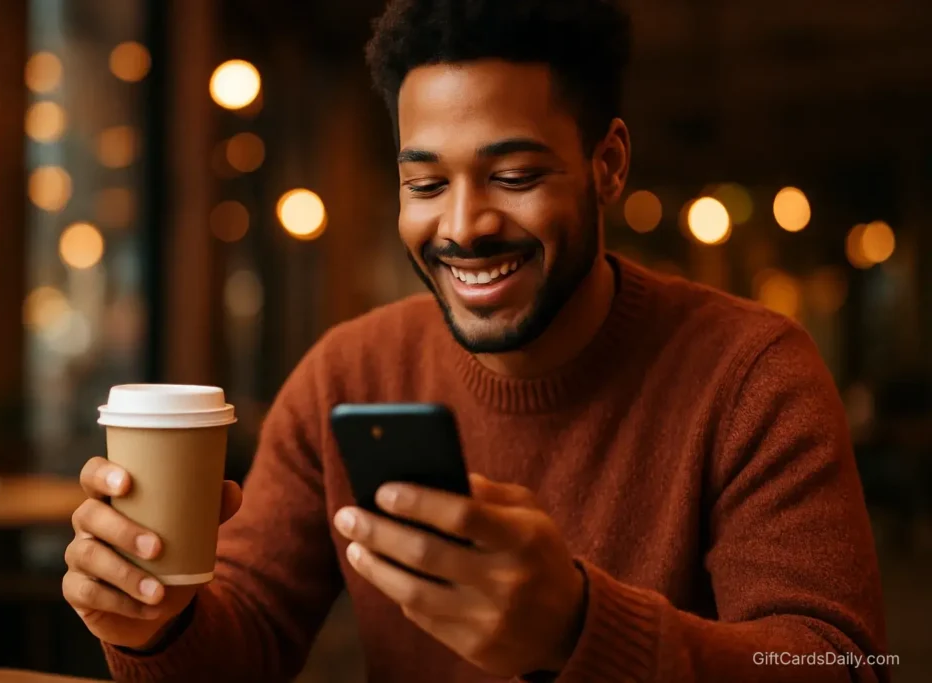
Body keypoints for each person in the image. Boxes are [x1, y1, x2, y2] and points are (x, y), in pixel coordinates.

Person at [63, 1, 890, 681]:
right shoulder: (348, 374)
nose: (461, 226)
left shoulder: (753, 372)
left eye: (514, 176)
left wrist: (579, 630)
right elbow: (241, 643)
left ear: (607, 164)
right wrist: (154, 623)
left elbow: (850, 664)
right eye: (424, 183)